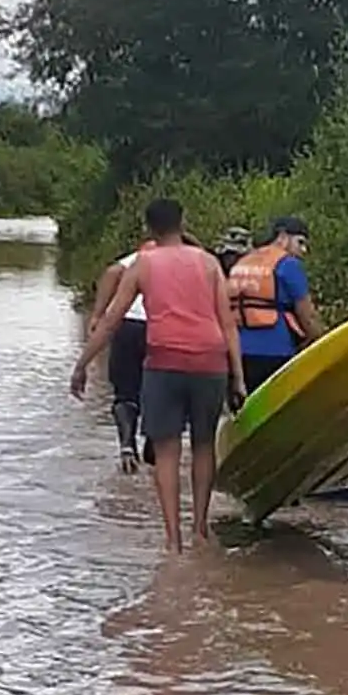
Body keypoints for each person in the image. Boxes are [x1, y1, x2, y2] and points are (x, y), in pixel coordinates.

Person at [71, 199, 247, 551]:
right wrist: (238, 377)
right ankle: (199, 527)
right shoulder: (209, 263)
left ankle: (173, 540)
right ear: (183, 222)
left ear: (148, 228)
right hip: (210, 361)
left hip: (164, 361)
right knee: (202, 445)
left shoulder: (142, 264)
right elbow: (228, 325)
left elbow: (111, 320)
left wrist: (82, 364)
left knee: (165, 452)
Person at [88, 231, 205, 471]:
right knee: (166, 387)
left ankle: (127, 445)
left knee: (125, 392)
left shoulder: (144, 254)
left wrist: (98, 314)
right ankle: (154, 441)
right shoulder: (195, 259)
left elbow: (112, 272)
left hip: (130, 324)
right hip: (167, 327)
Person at [228, 215, 324, 393]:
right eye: (300, 242)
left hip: (239, 356)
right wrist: (324, 345)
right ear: (283, 237)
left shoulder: (242, 262)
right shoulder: (288, 264)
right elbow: (308, 315)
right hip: (276, 353)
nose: (304, 250)